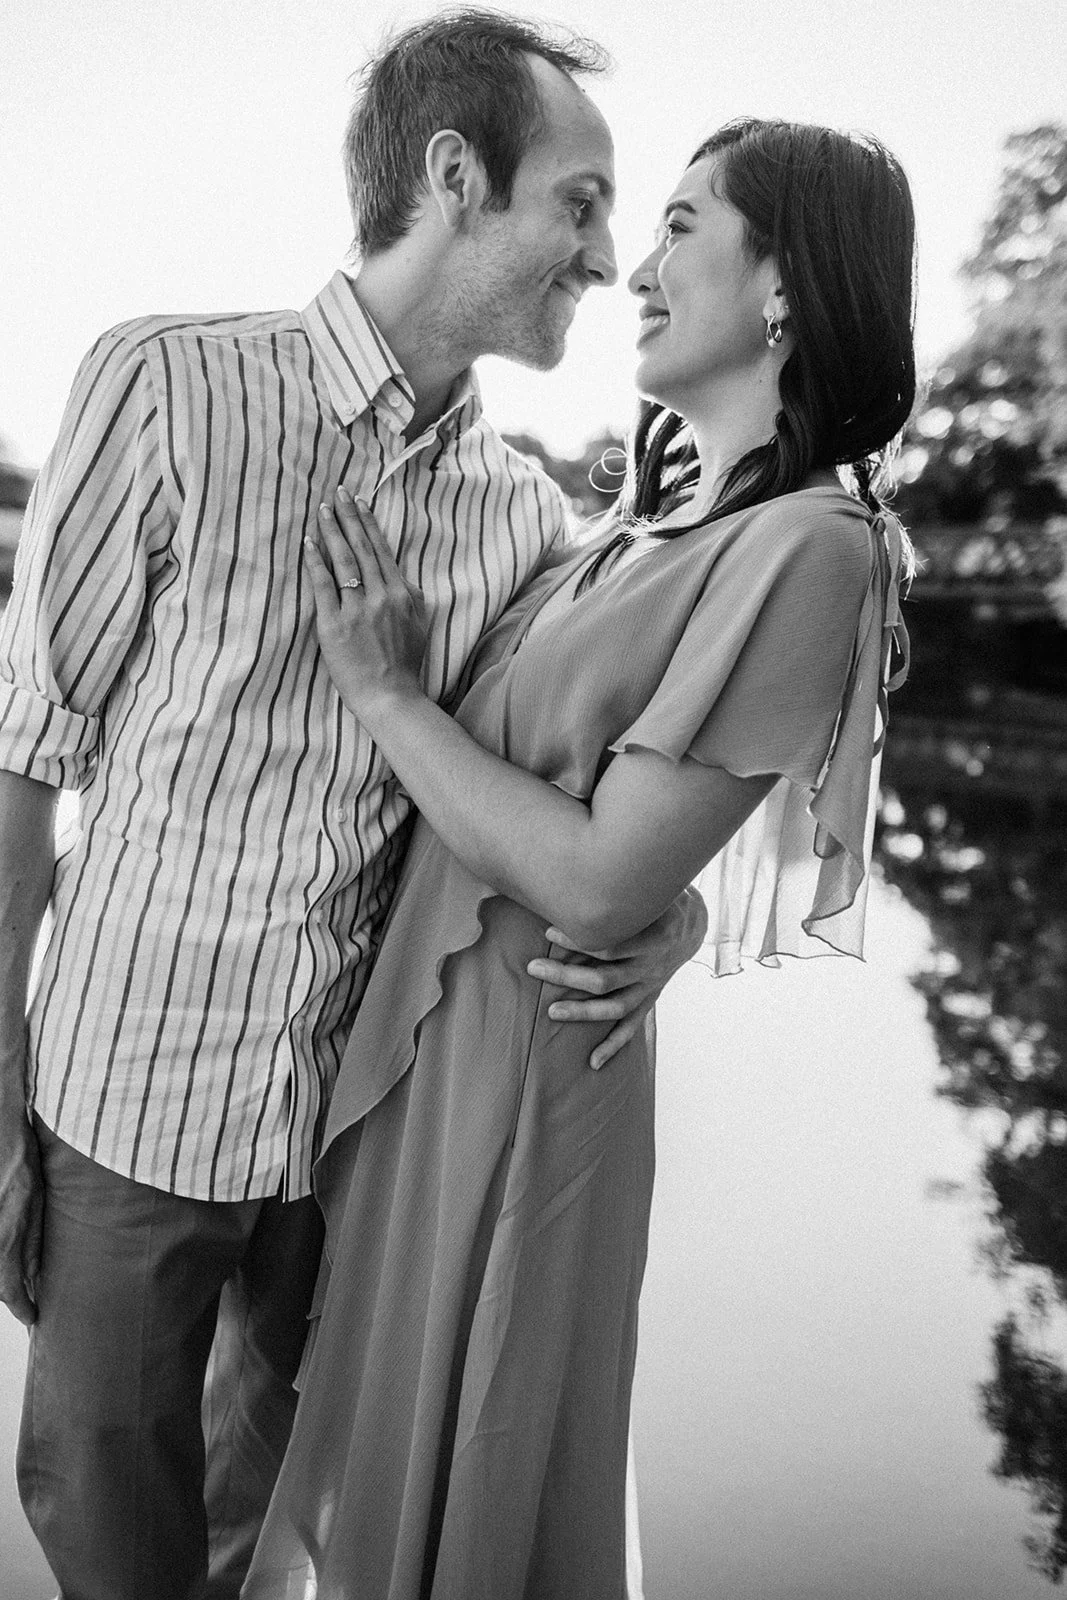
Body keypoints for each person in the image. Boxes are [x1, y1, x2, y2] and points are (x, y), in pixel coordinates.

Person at [0, 14, 705, 1600]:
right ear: (456, 176)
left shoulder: (526, 515)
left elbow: (575, 802)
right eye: (579, 203)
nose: (605, 256)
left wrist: (672, 914)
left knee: (287, 1547)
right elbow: (24, 759)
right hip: (126, 1107)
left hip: (355, 1142)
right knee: (106, 1525)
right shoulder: (165, 387)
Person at [242, 115, 917, 1599]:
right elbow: (591, 826)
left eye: (681, 226)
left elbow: (601, 881)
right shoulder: (625, 522)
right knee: (362, 1498)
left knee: (472, 1476)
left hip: (534, 1082)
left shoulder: (817, 548)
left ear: (787, 288)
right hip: (433, 1054)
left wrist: (387, 695)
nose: (636, 267)